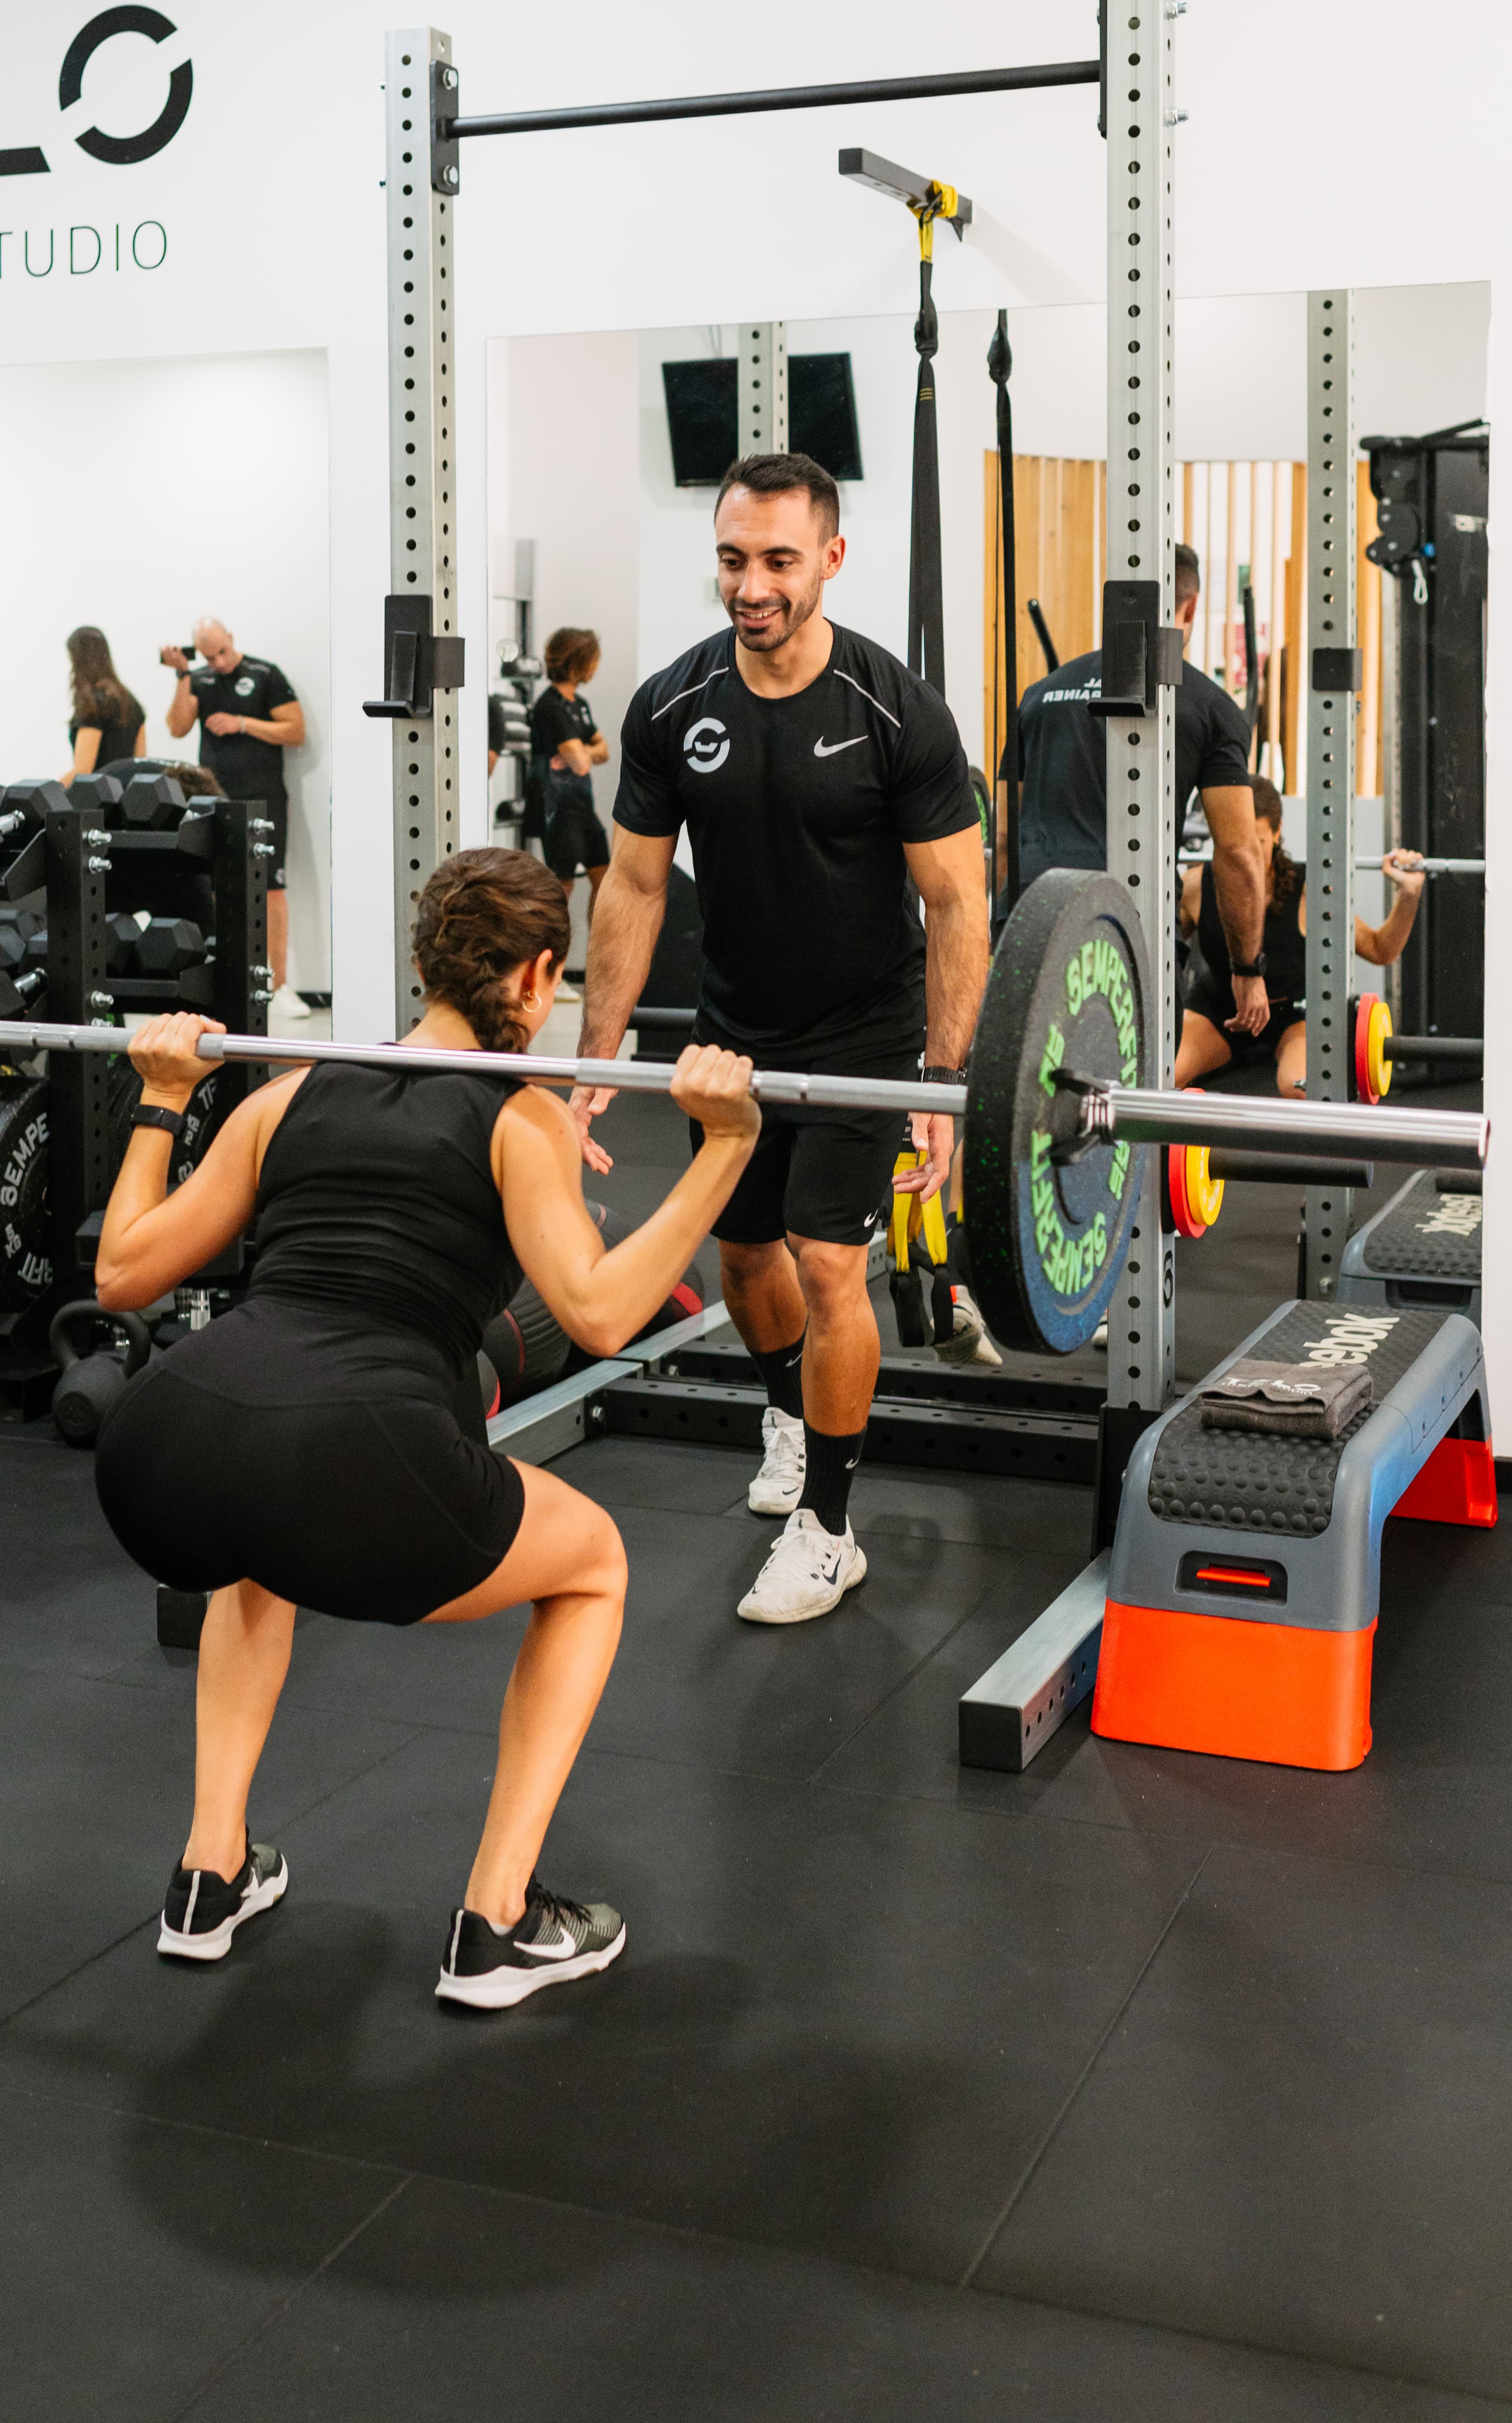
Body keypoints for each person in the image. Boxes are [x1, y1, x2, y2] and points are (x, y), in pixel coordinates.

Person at [92, 847, 759, 2007]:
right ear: (539, 974)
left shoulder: (286, 1091)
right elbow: (600, 1310)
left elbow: (122, 1270)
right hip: (358, 1451)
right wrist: (725, 1148)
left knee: (259, 1551)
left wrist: (158, 1101)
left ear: (424, 966)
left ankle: (209, 1872)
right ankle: (497, 1920)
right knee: (594, 1561)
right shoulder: (518, 1116)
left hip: (165, 1446)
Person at [570, 449, 992, 1629]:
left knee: (824, 1260)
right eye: (730, 559)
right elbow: (634, 888)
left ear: (831, 560)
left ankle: (830, 1526)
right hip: (733, 1030)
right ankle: (787, 1413)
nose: (750, 585)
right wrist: (594, 1064)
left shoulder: (893, 708)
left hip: (862, 1027)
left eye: (776, 561)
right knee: (745, 1259)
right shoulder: (668, 703)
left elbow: (957, 902)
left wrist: (943, 1080)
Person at [1001, 543, 1269, 1037]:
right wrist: (1247, 968)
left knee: (1030, 1085)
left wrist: (991, 936)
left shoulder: (1039, 695)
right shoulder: (1212, 707)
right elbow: (1237, 852)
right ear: (1191, 606)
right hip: (1128, 927)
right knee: (1128, 1094)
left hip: (1027, 921)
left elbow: (1001, 837)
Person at [1175, 775, 1425, 1093]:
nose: (1248, 856)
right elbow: (1152, 953)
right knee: (1161, 1077)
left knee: (1301, 1089)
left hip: (1290, 1014)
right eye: (1239, 844)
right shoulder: (1198, 887)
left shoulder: (1310, 892)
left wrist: (1409, 895)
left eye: (1259, 843)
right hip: (1222, 1007)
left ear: (1278, 833)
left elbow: (1380, 950)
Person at [162, 617, 307, 1022]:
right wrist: (182, 675)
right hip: (214, 799)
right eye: (209, 655)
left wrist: (242, 723)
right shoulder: (199, 678)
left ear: (232, 639)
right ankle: (225, 978)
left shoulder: (265, 674)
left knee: (272, 886)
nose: (218, 661)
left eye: (222, 652)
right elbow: (176, 728)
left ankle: (278, 985)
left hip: (263, 797)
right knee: (214, 887)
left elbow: (295, 730)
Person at [529, 626, 611, 913]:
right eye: (594, 659)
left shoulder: (580, 705)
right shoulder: (551, 707)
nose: (596, 666)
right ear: (580, 662)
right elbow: (582, 765)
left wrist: (582, 752)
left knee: (604, 879)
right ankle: (554, 957)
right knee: (561, 888)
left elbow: (604, 752)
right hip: (557, 809)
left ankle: (596, 956)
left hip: (581, 807)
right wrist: (584, 755)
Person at [64, 627, 145, 781]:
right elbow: (139, 760)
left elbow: (83, 770)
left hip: (96, 799)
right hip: (125, 797)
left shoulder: (93, 705)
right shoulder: (131, 702)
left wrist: (46, 790)